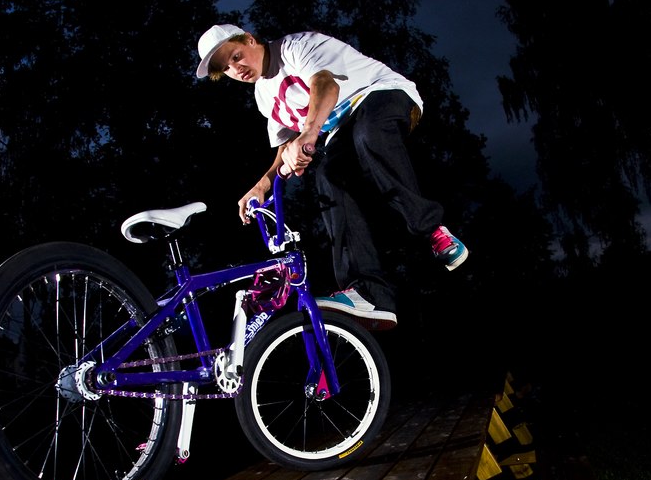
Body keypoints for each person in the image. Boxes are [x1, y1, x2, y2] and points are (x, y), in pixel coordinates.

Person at [195, 23, 468, 331]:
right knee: (329, 177)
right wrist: (262, 184)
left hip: (381, 93)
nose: (236, 68)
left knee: (370, 135)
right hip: (343, 127)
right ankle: (369, 293)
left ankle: (432, 229)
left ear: (249, 39)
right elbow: (285, 144)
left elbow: (326, 85)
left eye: (236, 56)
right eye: (226, 68)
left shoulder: (295, 46)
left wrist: (310, 133)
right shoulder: (263, 97)